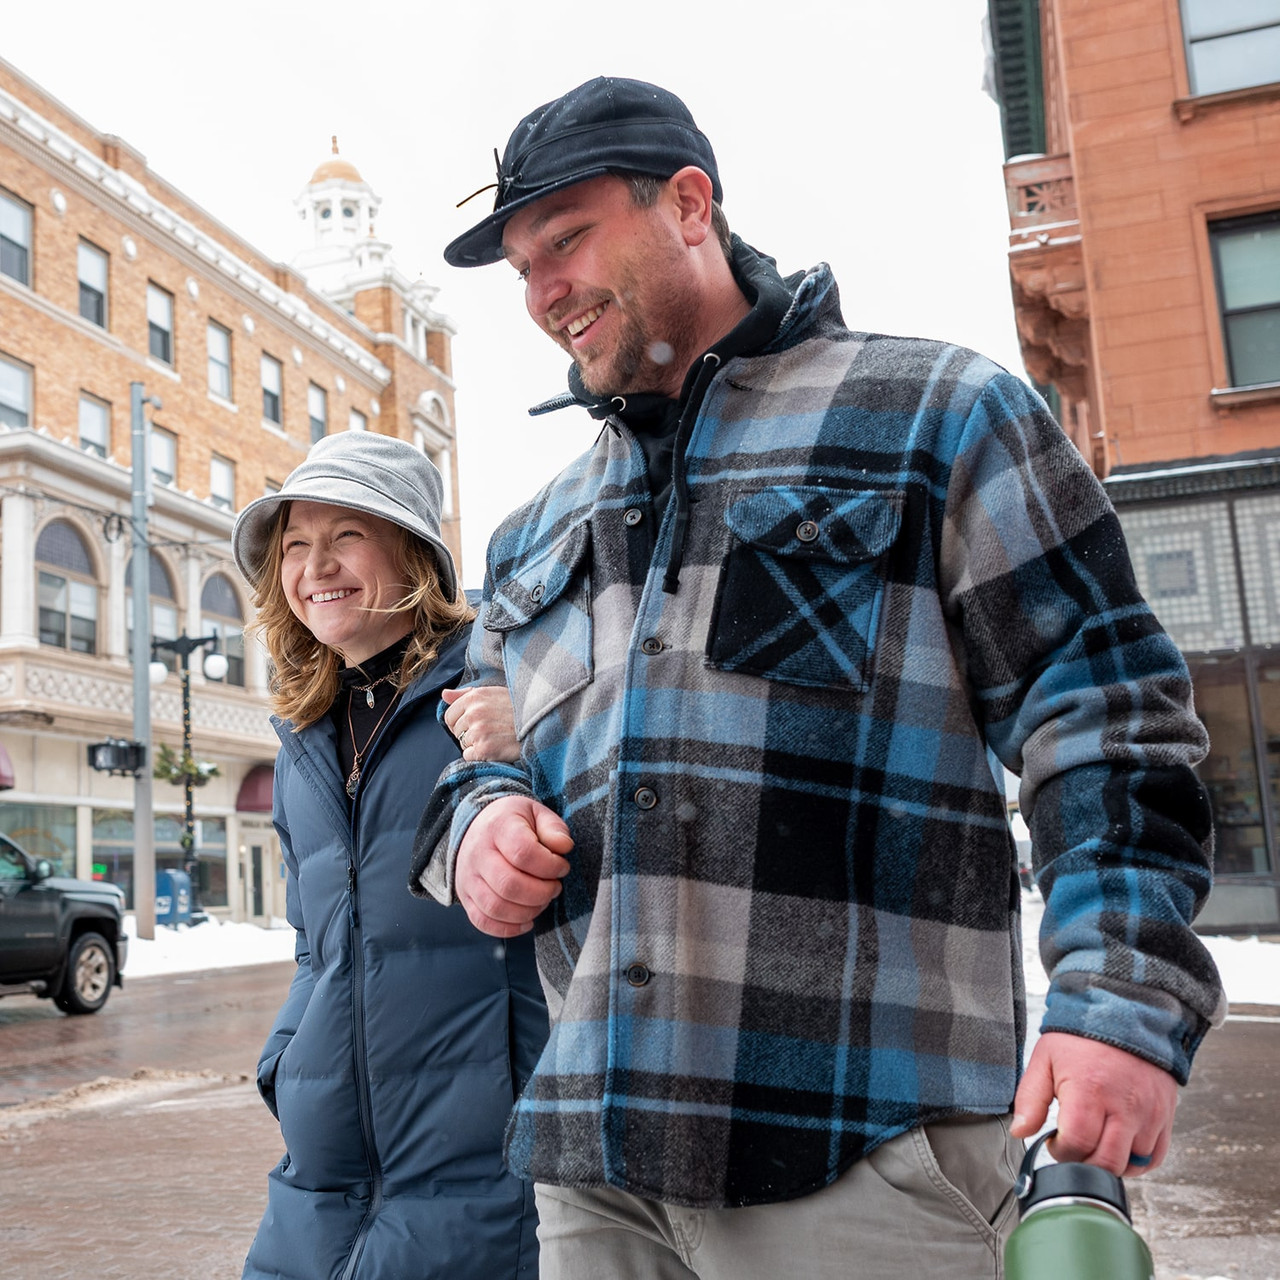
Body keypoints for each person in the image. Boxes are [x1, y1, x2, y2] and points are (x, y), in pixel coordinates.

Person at [410, 77, 1225, 1278]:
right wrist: (476, 828)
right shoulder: (534, 533)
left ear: (689, 204)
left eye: (566, 239)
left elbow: (1105, 717)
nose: (540, 296)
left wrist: (1117, 1002)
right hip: (596, 1181)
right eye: (521, 268)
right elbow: (474, 762)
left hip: (866, 1152)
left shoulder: (935, 415)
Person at [231, 430, 546, 1280]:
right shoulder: (303, 741)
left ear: (413, 554)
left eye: (346, 536)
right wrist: (286, 1064)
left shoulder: (503, 685)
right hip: (321, 1176)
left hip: (486, 1167)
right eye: (295, 544)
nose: (315, 565)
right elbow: (313, 943)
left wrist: (536, 727)